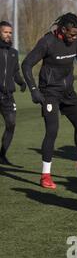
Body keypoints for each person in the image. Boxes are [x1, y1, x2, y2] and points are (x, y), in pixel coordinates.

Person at [21, 13, 77, 189]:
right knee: (52, 131)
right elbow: (26, 64)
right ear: (62, 29)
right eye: (71, 33)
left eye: (76, 34)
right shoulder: (47, 42)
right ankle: (45, 175)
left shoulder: (76, 41)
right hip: (50, 93)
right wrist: (33, 90)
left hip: (68, 93)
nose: (74, 37)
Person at [0, 21, 27, 165]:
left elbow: (15, 71)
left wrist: (21, 82)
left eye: (10, 32)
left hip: (7, 96)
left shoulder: (13, 53)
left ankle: (2, 155)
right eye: (5, 32)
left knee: (11, 124)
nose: (8, 35)